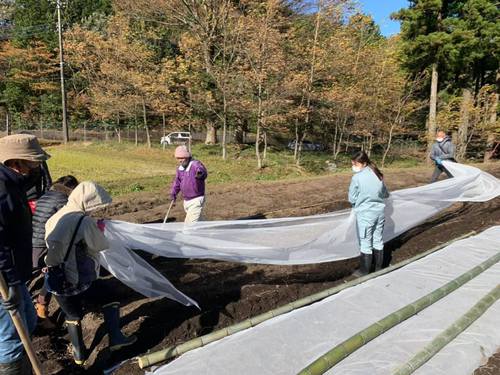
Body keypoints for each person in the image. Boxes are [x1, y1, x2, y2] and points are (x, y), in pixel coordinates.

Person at [44, 181, 136, 365]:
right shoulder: (83, 221)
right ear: (86, 202)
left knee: (72, 314)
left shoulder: (56, 217)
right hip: (76, 279)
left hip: (55, 279)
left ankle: (79, 355)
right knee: (110, 296)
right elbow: (100, 245)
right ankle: (116, 340)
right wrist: (99, 230)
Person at [0, 134, 49, 374]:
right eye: (34, 162)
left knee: (28, 321)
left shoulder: (14, 184)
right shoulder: (2, 191)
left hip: (16, 274)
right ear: (17, 163)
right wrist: (9, 282)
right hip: (5, 279)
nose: (38, 167)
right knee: (11, 337)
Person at [32, 175, 79, 324]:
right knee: (53, 271)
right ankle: (41, 308)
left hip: (32, 239)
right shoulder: (63, 201)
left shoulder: (47, 195)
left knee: (41, 272)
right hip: (43, 242)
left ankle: (37, 307)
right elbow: (68, 222)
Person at [348, 151, 390, 276]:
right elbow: (385, 194)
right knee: (378, 240)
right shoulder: (377, 174)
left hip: (366, 214)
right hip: (379, 212)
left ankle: (364, 271)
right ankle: (379, 269)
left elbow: (352, 198)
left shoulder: (357, 178)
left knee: (365, 242)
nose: (353, 166)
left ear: (363, 163)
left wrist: (357, 204)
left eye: (355, 164)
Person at [170, 145, 208, 223]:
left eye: (182, 158)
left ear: (187, 157)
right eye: (178, 158)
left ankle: (187, 234)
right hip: (186, 201)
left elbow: (201, 169)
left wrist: (200, 173)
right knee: (199, 222)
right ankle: (207, 231)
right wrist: (173, 193)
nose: (180, 160)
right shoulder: (180, 169)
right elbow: (177, 182)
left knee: (189, 226)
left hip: (196, 199)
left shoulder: (195, 164)